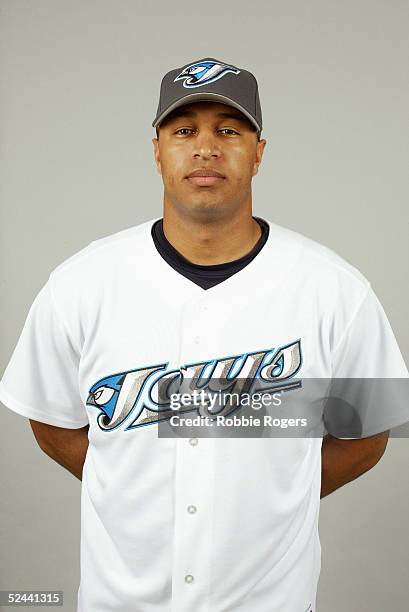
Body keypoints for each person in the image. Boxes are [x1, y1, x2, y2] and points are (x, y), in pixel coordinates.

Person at [0, 57, 408, 612]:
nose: (206, 147)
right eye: (184, 129)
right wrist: (127, 488)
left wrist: (270, 502)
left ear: (259, 152)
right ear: (157, 150)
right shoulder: (81, 283)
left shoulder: (337, 289)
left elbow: (369, 437)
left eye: (229, 130)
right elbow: (48, 419)